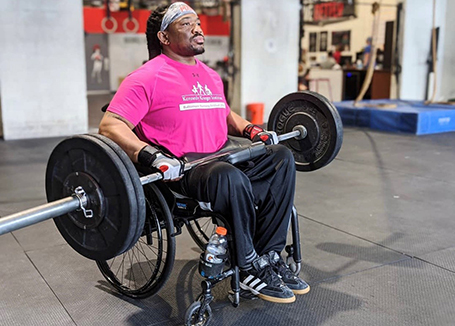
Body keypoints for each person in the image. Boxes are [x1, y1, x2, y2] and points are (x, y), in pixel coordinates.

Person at [98, 2, 309, 304]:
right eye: (185, 24)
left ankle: (270, 257)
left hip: (222, 157)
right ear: (164, 38)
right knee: (229, 177)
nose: (198, 28)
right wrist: (151, 156)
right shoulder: (146, 78)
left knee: (281, 158)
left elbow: (223, 114)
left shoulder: (210, 76)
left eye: (197, 22)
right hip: (184, 171)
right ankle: (248, 265)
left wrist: (252, 129)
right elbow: (110, 125)